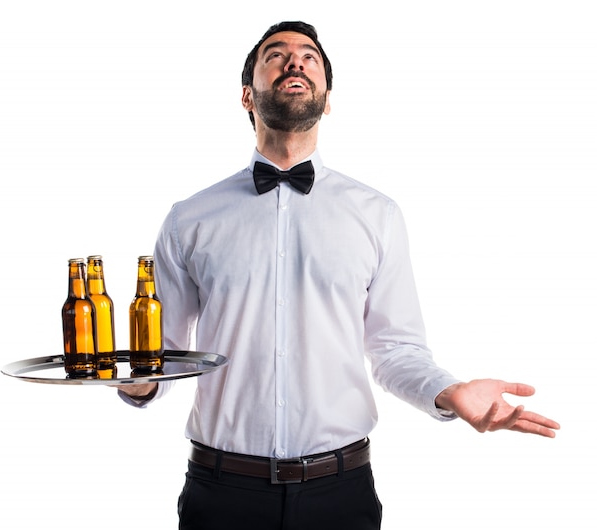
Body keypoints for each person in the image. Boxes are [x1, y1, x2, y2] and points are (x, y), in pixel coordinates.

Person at [118, 21, 560, 530]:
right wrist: (135, 384)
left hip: (340, 493)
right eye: (276, 55)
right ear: (247, 95)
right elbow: (163, 354)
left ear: (327, 98)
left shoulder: (377, 215)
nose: (295, 62)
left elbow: (396, 351)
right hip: (220, 492)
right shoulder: (188, 219)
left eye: (310, 57)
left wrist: (450, 392)